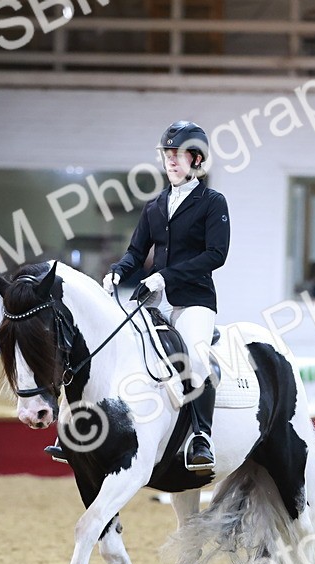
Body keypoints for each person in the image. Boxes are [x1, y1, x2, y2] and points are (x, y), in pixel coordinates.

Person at [96, 120, 228, 472]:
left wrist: (163, 277)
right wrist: (117, 271)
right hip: (154, 302)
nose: (171, 160)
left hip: (194, 300)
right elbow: (135, 251)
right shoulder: (155, 206)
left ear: (196, 159)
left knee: (195, 358)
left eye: (179, 154)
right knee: (114, 351)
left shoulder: (212, 202)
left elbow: (216, 254)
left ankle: (201, 436)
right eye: (168, 154)